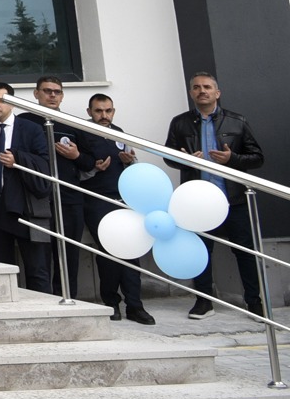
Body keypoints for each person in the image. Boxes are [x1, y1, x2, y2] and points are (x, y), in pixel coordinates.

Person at [166, 72, 265, 318]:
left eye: (207, 87)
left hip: (233, 199)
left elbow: (258, 158)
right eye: (197, 87)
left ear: (217, 93)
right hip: (197, 200)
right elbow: (168, 156)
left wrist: (233, 159)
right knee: (200, 252)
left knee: (245, 252)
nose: (202, 91)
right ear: (191, 93)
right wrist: (185, 160)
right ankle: (204, 301)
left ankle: (254, 302)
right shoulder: (179, 123)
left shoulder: (237, 121)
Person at [0, 81, 54, 290]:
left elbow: (45, 164)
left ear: (13, 103)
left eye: (1, 100)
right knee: (0, 266)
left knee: (36, 267)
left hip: (25, 205)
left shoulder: (32, 129)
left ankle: (42, 312)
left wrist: (18, 159)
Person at [83, 93, 154, 324]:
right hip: (97, 200)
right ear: (89, 112)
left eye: (108, 111)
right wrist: (94, 169)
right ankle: (111, 303)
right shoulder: (82, 132)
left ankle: (135, 305)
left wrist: (129, 162)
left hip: (124, 200)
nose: (104, 116)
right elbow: (77, 170)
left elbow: (131, 166)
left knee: (131, 252)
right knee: (108, 252)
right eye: (99, 111)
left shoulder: (119, 132)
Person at [30, 75, 86, 298]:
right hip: (38, 199)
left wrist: (77, 155)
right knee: (39, 255)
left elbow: (91, 161)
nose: (52, 95)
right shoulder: (25, 121)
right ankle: (44, 300)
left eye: (57, 91)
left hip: (69, 198)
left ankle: (68, 297)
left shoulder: (73, 124)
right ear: (36, 94)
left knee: (68, 254)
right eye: (47, 91)